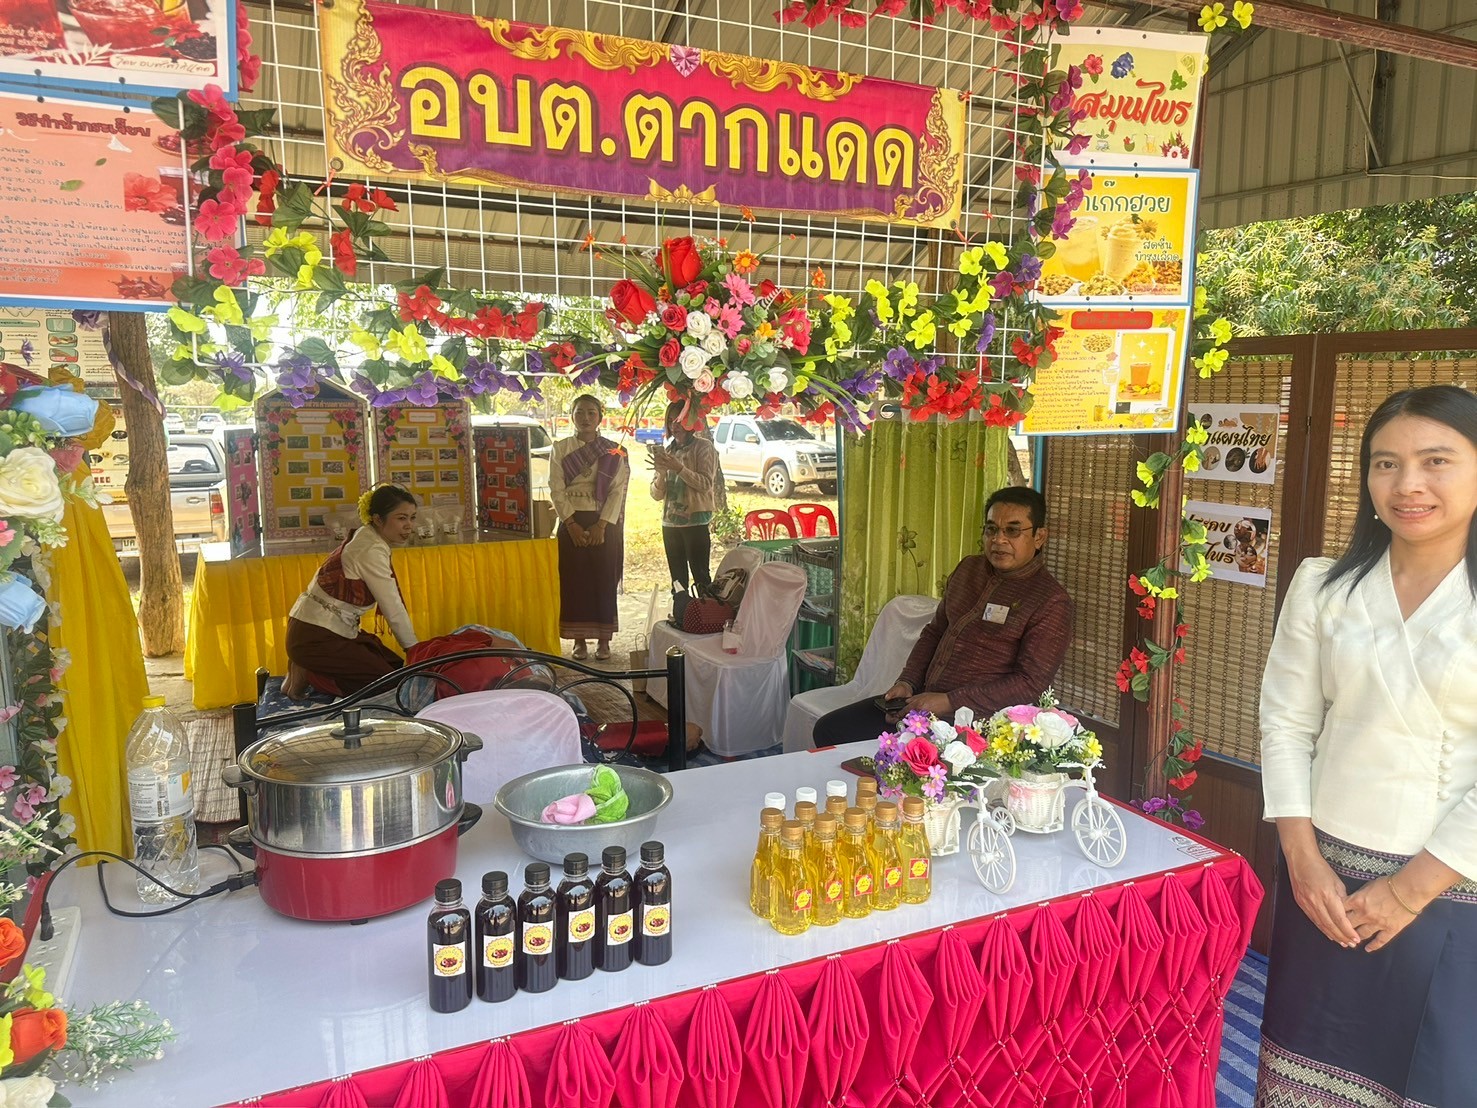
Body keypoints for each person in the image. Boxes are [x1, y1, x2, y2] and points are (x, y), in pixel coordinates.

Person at [1256, 385, 1477, 1107]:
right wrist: (1301, 861)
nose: (1407, 484)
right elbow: (1286, 723)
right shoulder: (1323, 585)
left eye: (1435, 460)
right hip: (1324, 883)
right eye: (1386, 463)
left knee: (1437, 1076)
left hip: (1450, 887)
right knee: (1305, 1074)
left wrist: (1408, 892)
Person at [811, 486, 1073, 746]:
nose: (999, 540)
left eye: (1012, 531)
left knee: (883, 757)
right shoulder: (969, 569)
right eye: (991, 529)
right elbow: (935, 632)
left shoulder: (1050, 601)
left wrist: (949, 701)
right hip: (921, 702)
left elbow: (1029, 683)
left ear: (1039, 537)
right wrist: (908, 681)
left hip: (976, 724)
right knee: (831, 730)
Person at [282, 484, 419, 698]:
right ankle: (309, 673)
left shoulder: (367, 535)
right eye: (401, 518)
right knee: (389, 686)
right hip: (316, 638)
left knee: (396, 667)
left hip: (318, 631)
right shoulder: (370, 549)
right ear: (377, 519)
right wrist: (414, 650)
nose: (409, 526)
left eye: (412, 518)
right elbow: (392, 606)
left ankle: (305, 666)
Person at [549, 394, 630, 661]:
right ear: (571, 416)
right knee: (575, 580)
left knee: (604, 579)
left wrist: (601, 525)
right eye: (580, 412)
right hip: (571, 520)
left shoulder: (613, 451)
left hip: (603, 523)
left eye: (591, 413)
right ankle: (579, 640)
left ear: (600, 417)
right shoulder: (560, 448)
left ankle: (604, 641)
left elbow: (617, 491)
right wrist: (571, 523)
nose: (585, 418)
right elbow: (556, 488)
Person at [650, 400, 720, 597]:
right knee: (677, 581)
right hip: (670, 523)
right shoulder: (668, 451)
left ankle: (705, 614)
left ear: (691, 421)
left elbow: (705, 484)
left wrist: (679, 468)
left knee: (701, 577)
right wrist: (661, 474)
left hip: (695, 521)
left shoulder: (703, 447)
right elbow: (656, 495)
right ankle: (681, 612)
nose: (675, 425)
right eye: (670, 420)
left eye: (679, 420)